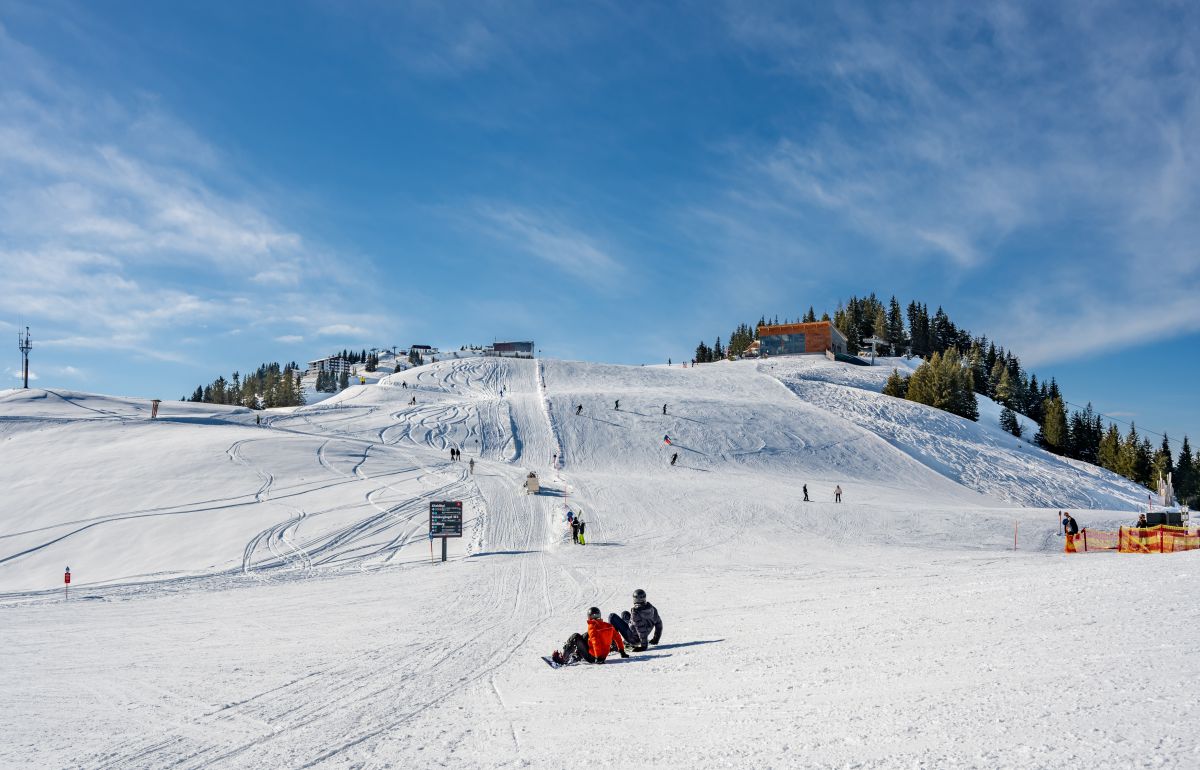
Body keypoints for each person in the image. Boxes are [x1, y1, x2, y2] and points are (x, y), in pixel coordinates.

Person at [553, 607, 628, 665]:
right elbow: (618, 637)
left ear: (589, 617)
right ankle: (578, 654)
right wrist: (622, 651)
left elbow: (595, 642)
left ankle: (563, 659)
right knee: (586, 635)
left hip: (593, 657)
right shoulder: (608, 626)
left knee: (575, 636)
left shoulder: (592, 626)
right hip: (603, 656)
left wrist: (597, 658)